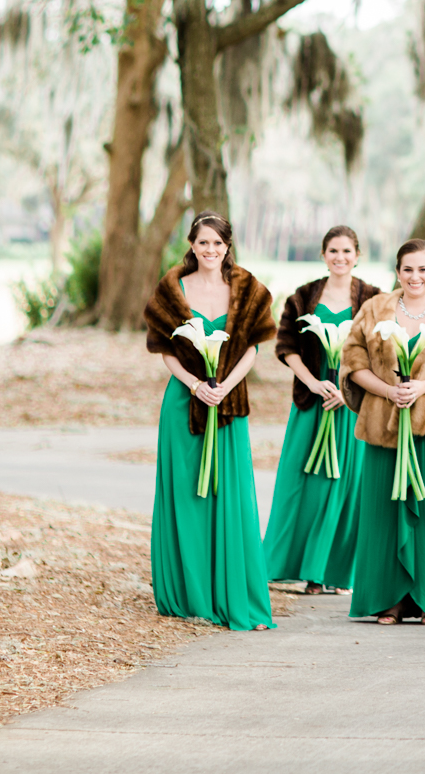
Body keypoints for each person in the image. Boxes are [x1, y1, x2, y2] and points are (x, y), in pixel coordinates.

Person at [142, 212, 277, 631]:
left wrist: (224, 384)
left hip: (229, 401)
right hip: (184, 401)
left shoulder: (248, 288)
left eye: (217, 244)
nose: (210, 251)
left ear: (227, 246)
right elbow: (164, 349)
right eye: (203, 243)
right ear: (192, 244)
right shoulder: (173, 287)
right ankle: (189, 593)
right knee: (185, 494)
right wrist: (195, 384)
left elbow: (254, 348)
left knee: (230, 495)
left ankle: (232, 592)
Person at [340, 239, 425, 625]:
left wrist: (423, 388)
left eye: (423, 270)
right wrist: (388, 391)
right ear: (397, 272)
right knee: (382, 512)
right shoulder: (375, 308)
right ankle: (387, 601)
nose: (415, 277)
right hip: (383, 423)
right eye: (407, 269)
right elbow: (352, 361)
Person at [262, 225, 381, 595]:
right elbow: (286, 346)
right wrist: (313, 383)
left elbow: (381, 354)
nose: (340, 257)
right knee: (302, 483)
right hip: (311, 401)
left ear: (357, 255)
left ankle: (332, 574)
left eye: (347, 251)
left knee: (345, 485)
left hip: (352, 404)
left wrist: (348, 391)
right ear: (323, 254)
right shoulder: (302, 298)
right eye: (333, 251)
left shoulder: (374, 300)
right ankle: (296, 567)